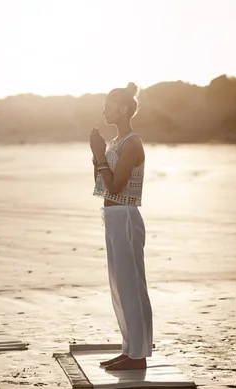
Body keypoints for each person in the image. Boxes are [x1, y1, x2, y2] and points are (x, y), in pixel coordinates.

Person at [90, 82, 153, 370]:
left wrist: (100, 155)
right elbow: (100, 185)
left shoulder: (132, 143)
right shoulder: (116, 143)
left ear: (124, 108)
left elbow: (115, 185)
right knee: (118, 286)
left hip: (126, 217)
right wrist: (98, 155)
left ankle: (138, 355)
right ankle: (129, 348)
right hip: (112, 217)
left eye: (109, 104)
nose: (104, 109)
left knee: (131, 285)